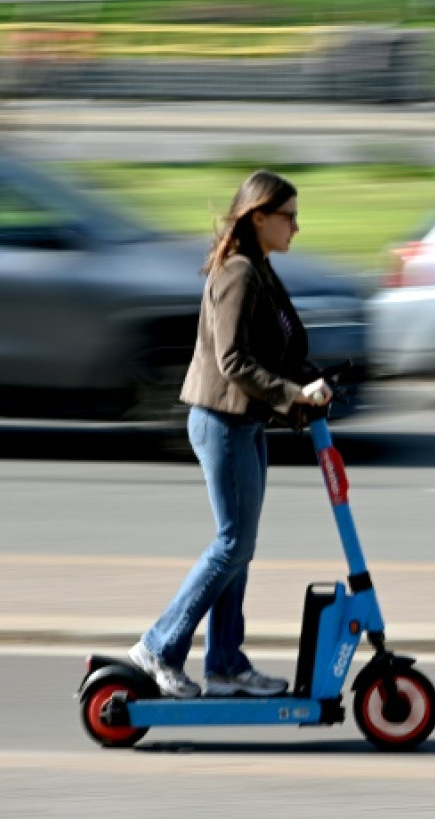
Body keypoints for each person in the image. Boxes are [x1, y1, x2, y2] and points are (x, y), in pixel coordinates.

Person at [128, 169, 332, 699]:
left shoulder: (260, 268)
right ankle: (157, 646)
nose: (297, 227)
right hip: (221, 420)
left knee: (239, 547)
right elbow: (234, 360)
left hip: (244, 422)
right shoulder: (238, 273)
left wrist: (311, 382)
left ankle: (224, 665)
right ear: (258, 216)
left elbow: (277, 350)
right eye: (289, 216)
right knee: (232, 544)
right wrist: (290, 395)